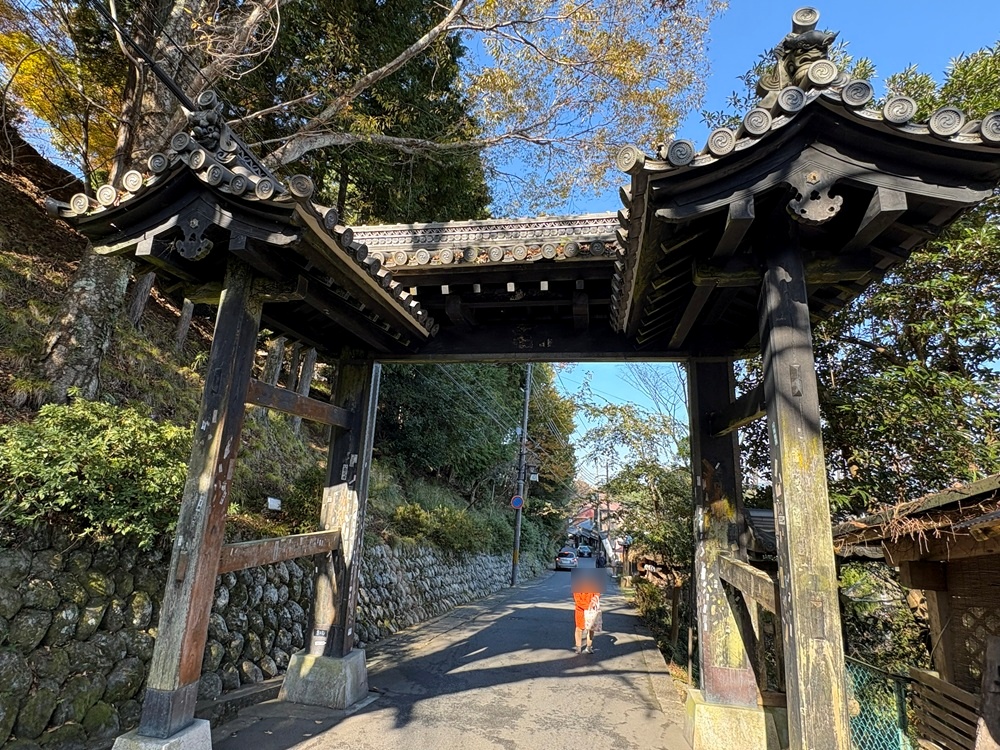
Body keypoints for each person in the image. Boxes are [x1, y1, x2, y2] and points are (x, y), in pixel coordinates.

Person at [572, 571, 603, 654]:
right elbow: (578, 601)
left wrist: (596, 598)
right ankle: (578, 647)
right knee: (579, 628)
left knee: (591, 628)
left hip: (591, 609)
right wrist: (589, 606)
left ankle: (589, 647)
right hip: (580, 610)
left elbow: (597, 592)